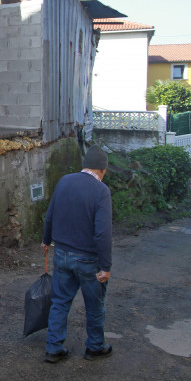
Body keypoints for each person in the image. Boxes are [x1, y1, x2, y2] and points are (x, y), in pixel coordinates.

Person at [41, 144, 113, 363]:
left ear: (84, 165)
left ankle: (53, 349)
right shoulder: (101, 191)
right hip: (88, 259)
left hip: (61, 254)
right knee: (94, 305)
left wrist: (46, 240)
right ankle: (95, 347)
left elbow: (51, 214)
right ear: (103, 170)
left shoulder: (65, 181)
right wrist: (106, 266)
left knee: (60, 302)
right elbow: (102, 233)